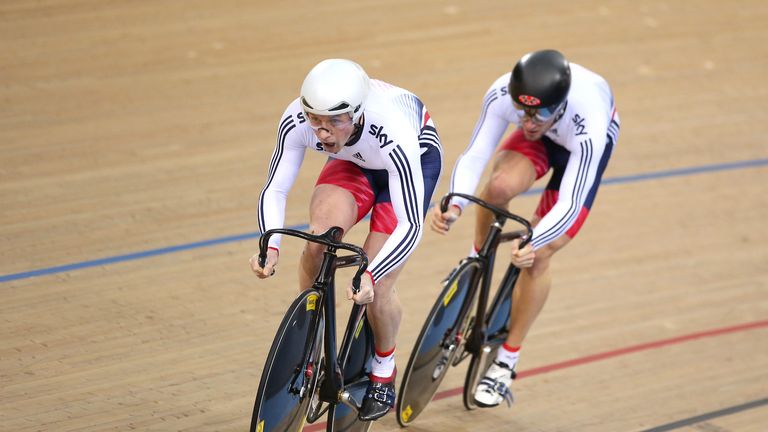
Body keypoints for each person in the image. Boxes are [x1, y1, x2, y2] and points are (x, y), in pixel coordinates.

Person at [250, 58, 443, 421]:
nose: (322, 133)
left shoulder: (391, 128)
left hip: (409, 160)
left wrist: (371, 275)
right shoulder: (298, 118)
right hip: (355, 160)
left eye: (334, 122)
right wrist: (269, 246)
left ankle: (384, 366)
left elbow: (411, 226)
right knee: (317, 241)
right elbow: (275, 187)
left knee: (379, 282)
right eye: (316, 122)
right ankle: (310, 329)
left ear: (356, 114)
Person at [431, 49, 620, 407]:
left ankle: (506, 360)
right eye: (523, 111)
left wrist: (537, 237)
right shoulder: (504, 93)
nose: (530, 122)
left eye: (541, 112)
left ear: (560, 105)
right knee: (498, 188)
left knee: (538, 256)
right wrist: (455, 203)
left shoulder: (588, 120)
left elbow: (570, 200)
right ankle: (476, 261)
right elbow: (475, 154)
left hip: (580, 150)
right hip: (550, 141)